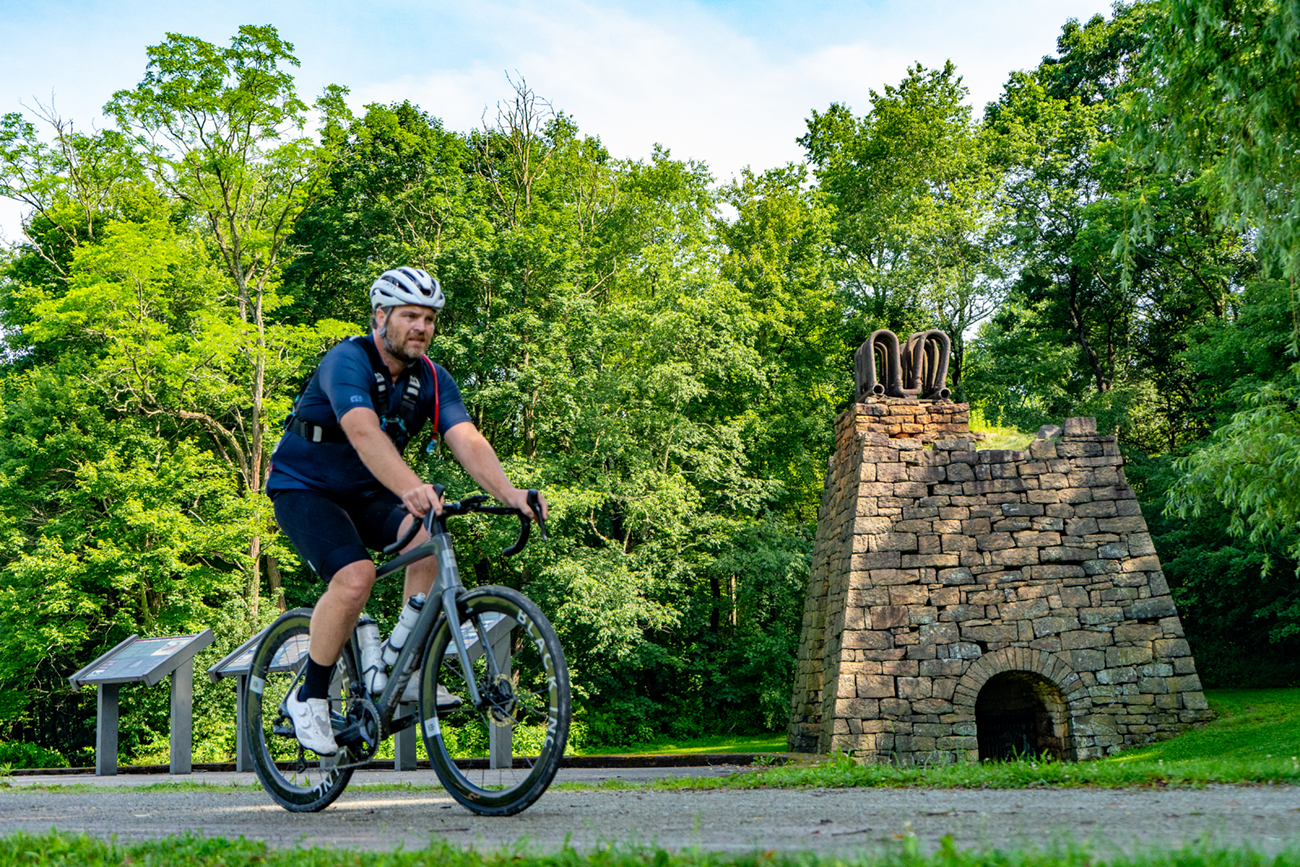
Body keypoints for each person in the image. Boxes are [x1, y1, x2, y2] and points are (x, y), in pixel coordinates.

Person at [266, 266, 547, 756]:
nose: (422, 327)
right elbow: (362, 432)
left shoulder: (433, 379)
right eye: (410, 316)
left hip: (368, 491)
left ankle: (405, 667)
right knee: (356, 577)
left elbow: (467, 439)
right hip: (305, 488)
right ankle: (308, 697)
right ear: (381, 316)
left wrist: (510, 493)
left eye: (430, 318)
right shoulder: (347, 361)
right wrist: (412, 486)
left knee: (429, 542)